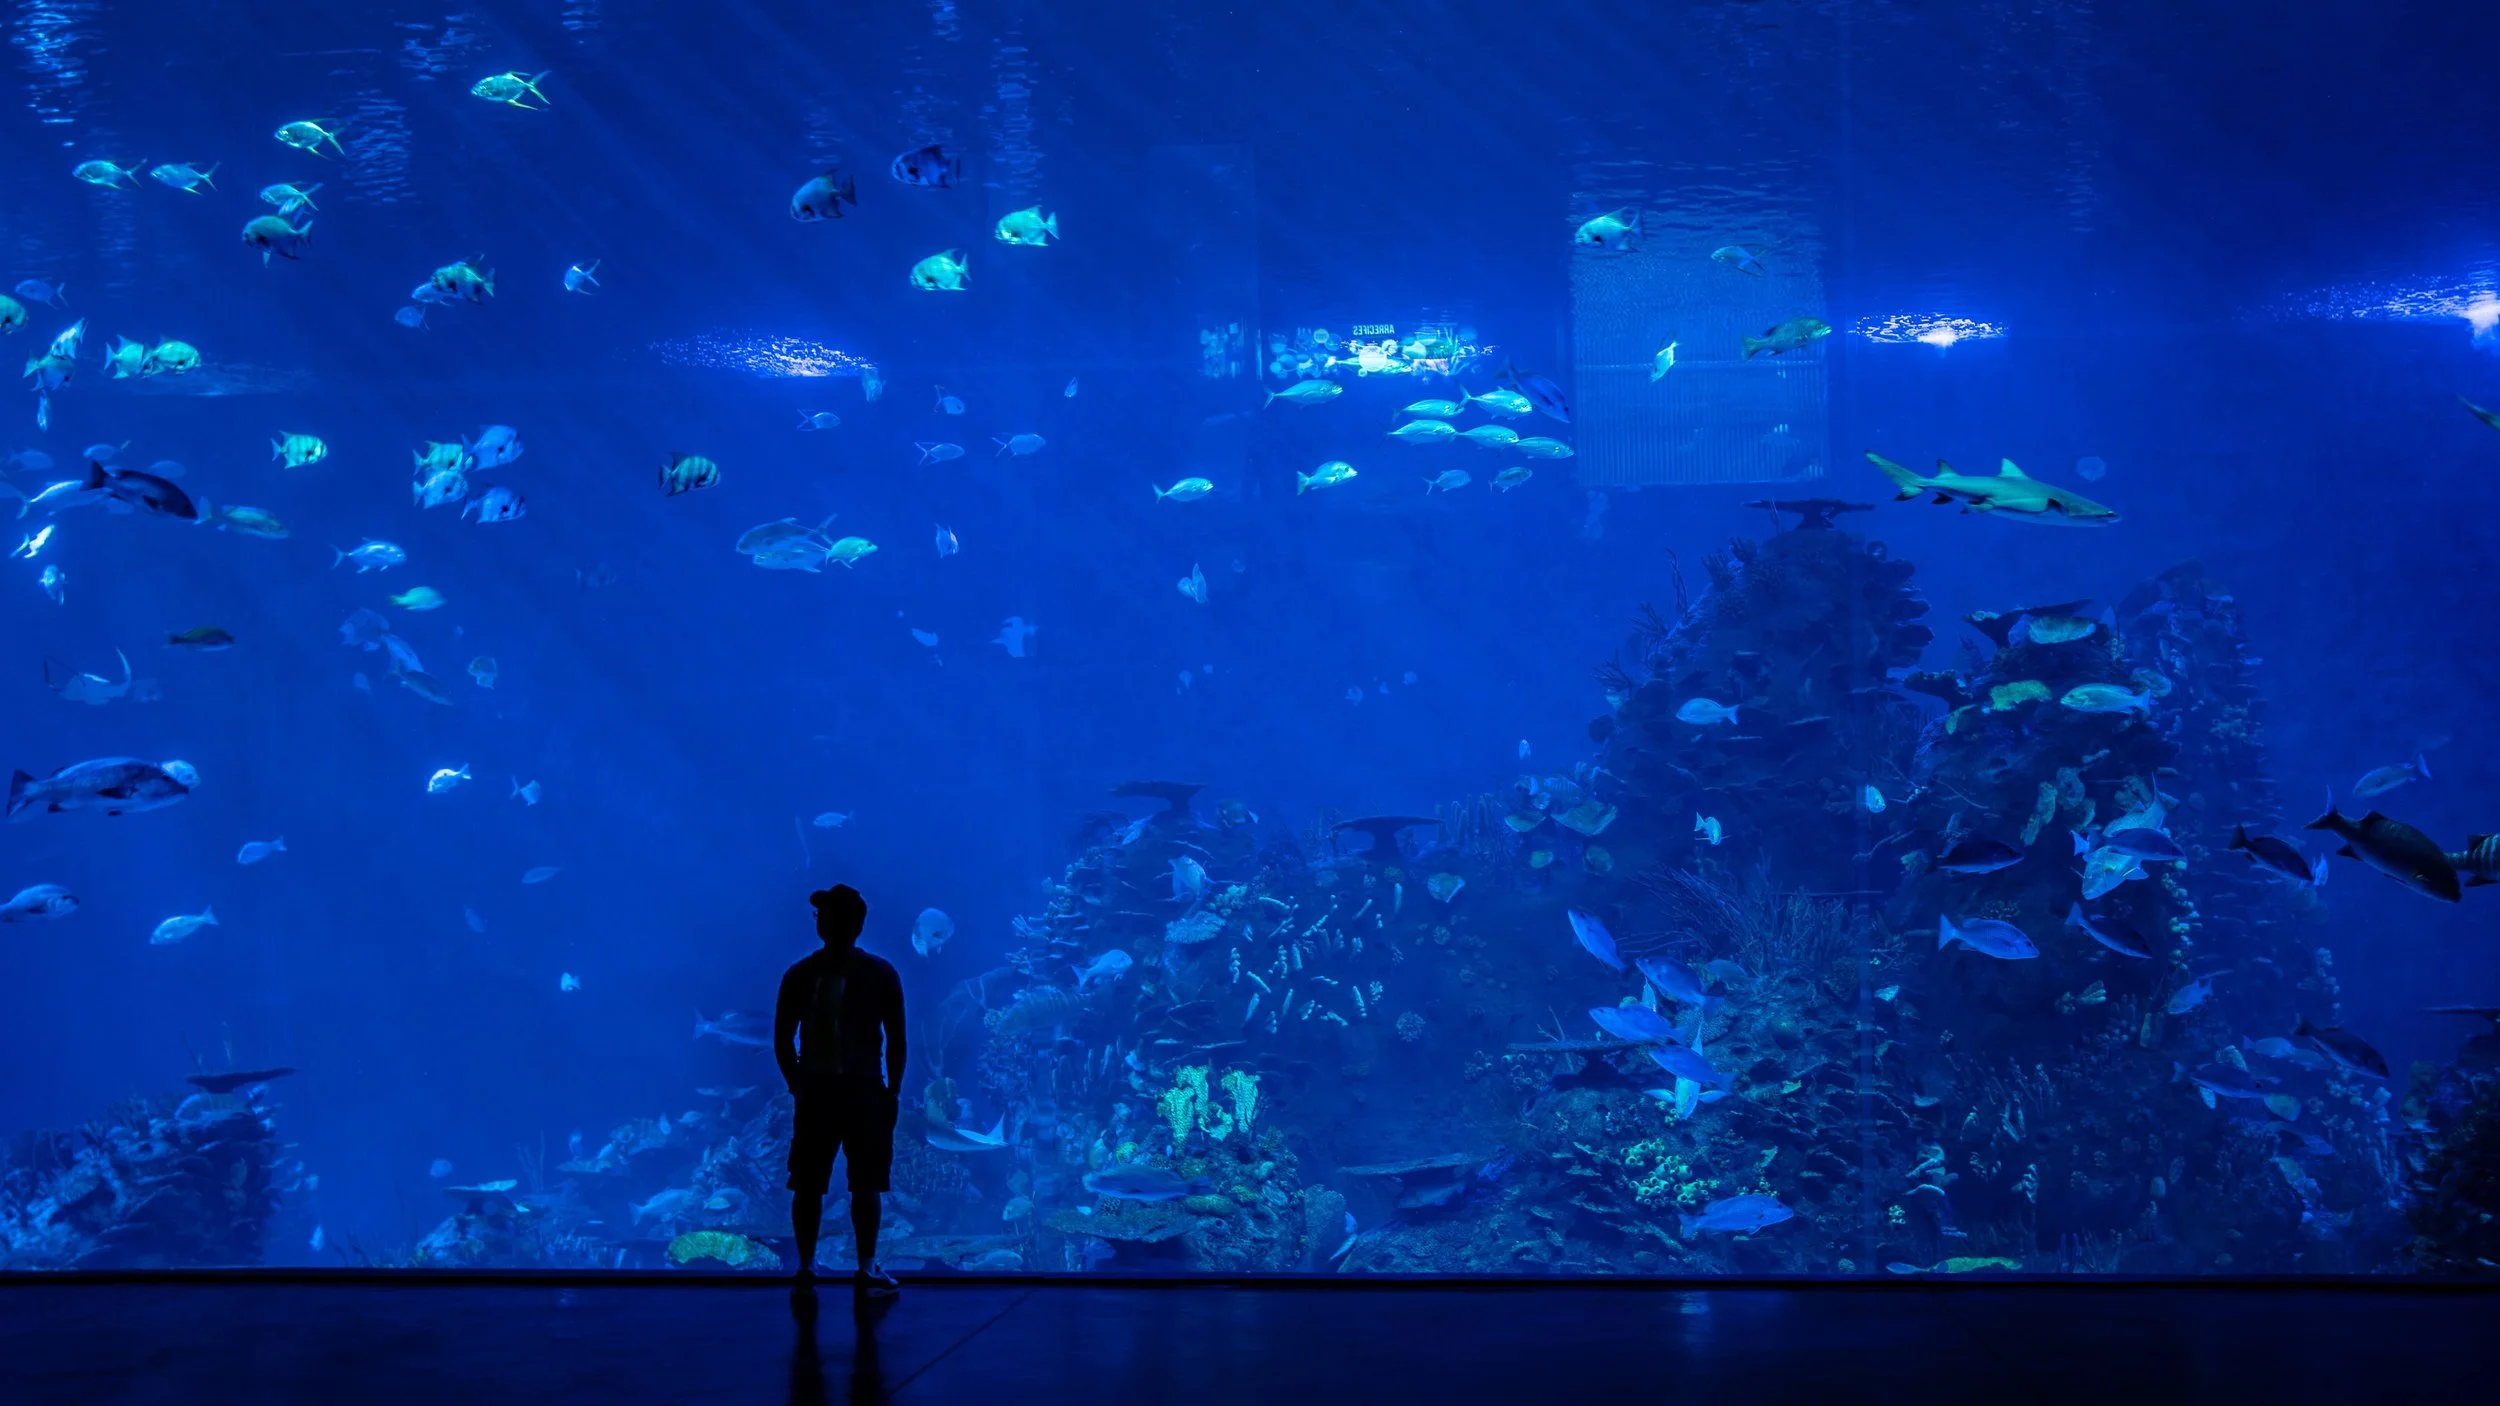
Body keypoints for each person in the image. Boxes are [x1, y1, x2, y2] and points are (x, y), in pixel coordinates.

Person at [775, 884, 908, 1295]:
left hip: (834, 1091)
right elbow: (897, 1040)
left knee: (816, 1183)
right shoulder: (880, 972)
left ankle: (810, 1266)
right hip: (860, 1091)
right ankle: (858, 1268)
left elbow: (783, 1040)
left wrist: (799, 1084)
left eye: (827, 915)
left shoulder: (802, 974)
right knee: (850, 1183)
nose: (823, 923)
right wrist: (891, 1092)